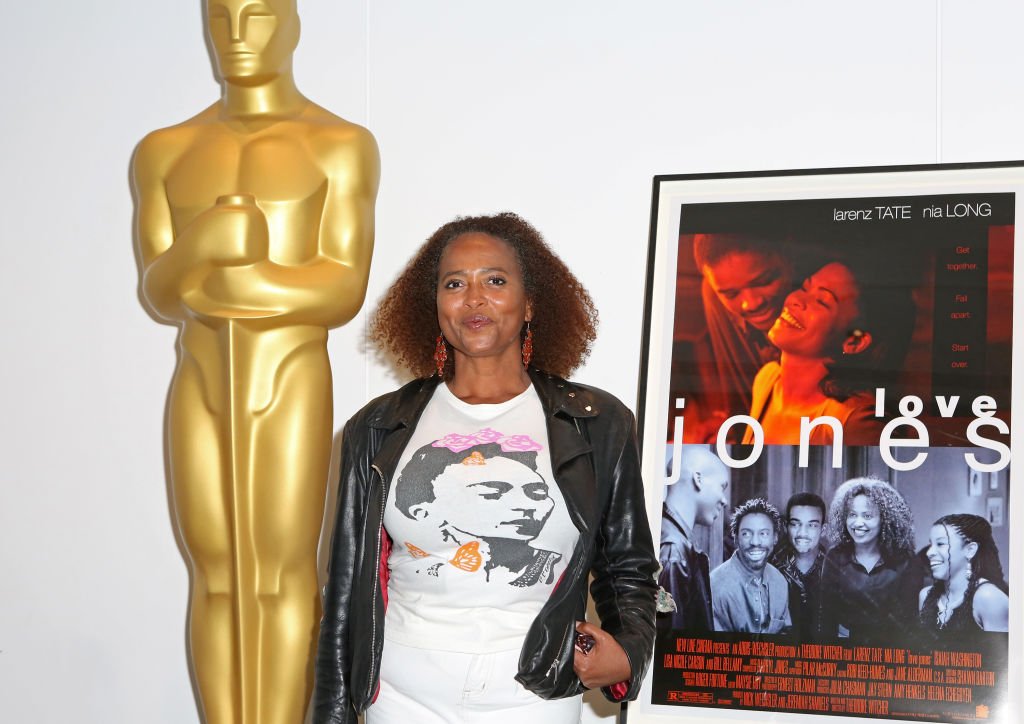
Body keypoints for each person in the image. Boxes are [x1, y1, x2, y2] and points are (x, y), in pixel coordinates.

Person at [131, 2, 379, 722]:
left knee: (281, 573)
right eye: (224, 16)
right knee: (212, 575)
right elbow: (158, 288)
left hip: (290, 373)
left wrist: (233, 278)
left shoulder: (339, 143)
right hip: (203, 375)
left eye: (260, 16)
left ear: (294, 22)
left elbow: (341, 287)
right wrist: (207, 240)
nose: (238, 37)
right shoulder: (165, 150)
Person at [314, 213, 658, 724]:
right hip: (402, 690)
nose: (474, 298)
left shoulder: (596, 422)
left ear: (531, 302)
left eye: (495, 281)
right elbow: (346, 589)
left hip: (532, 691)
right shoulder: (379, 426)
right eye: (454, 284)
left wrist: (630, 650)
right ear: (434, 306)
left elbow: (629, 567)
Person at [742, 257, 916, 445]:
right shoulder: (767, 379)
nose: (796, 299)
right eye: (804, 288)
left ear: (854, 342)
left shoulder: (856, 424)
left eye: (821, 301)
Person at [690, 234, 794, 435]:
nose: (751, 303)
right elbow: (740, 402)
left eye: (764, 281)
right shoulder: (713, 293)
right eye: (731, 295)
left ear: (787, 259)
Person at [818, 478, 921, 643]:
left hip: (891, 654)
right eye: (852, 515)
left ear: (885, 520)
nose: (858, 523)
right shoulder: (835, 556)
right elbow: (826, 618)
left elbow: (910, 625)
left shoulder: (906, 561)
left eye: (867, 515)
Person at [658, 445, 730, 632]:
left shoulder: (675, 543)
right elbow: (671, 644)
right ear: (698, 479)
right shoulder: (673, 551)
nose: (725, 500)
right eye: (722, 487)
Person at [919, 514, 1010, 639]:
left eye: (940, 544)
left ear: (970, 550)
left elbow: (999, 657)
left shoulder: (989, 598)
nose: (929, 553)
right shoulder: (925, 596)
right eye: (931, 544)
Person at [710, 499, 791, 634]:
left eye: (763, 534)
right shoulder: (715, 585)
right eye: (746, 534)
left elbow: (784, 634)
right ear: (735, 538)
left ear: (775, 538)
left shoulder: (779, 581)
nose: (755, 542)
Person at [770, 493, 827, 639]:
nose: (802, 533)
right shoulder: (770, 567)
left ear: (824, 529)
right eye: (795, 524)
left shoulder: (836, 570)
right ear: (785, 526)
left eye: (812, 525)